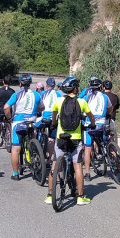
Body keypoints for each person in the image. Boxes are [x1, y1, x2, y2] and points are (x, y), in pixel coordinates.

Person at [44, 76, 96, 206]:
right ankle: (80, 197)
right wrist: (92, 124)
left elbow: (54, 117)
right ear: (75, 88)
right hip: (75, 139)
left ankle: (50, 195)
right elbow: (91, 117)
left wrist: (55, 124)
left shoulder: (58, 101)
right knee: (78, 166)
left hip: (61, 137)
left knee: (55, 164)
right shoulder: (82, 102)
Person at [3, 73, 42, 180]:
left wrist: (10, 118)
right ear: (30, 84)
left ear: (20, 84)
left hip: (18, 122)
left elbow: (6, 107)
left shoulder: (16, 94)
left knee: (15, 148)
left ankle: (15, 174)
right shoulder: (37, 95)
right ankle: (35, 152)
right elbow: (42, 107)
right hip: (31, 121)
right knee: (33, 136)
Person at [81, 77, 111, 181]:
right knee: (103, 139)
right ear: (100, 87)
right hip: (101, 124)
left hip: (90, 125)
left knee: (87, 149)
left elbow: (81, 109)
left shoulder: (87, 97)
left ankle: (88, 173)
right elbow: (110, 108)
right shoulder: (105, 97)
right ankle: (106, 154)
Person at [35, 77, 63, 156]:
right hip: (54, 119)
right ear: (54, 86)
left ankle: (36, 145)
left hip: (44, 117)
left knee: (33, 127)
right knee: (51, 139)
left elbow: (38, 105)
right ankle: (50, 158)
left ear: (47, 85)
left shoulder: (42, 93)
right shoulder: (58, 94)